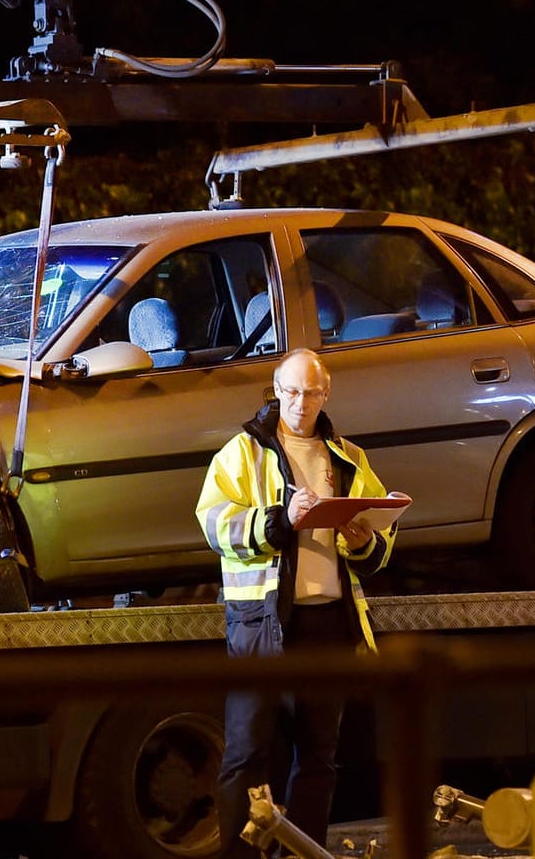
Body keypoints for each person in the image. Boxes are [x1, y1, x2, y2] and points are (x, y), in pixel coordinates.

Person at [197, 347, 403, 857]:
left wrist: (363, 543)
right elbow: (214, 524)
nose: (300, 401)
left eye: (311, 392)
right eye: (291, 391)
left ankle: (304, 854)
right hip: (261, 622)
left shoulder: (349, 459)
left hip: (328, 622)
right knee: (247, 753)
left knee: (318, 756)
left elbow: (380, 546)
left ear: (325, 394)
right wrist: (278, 520)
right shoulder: (242, 453)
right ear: (276, 389)